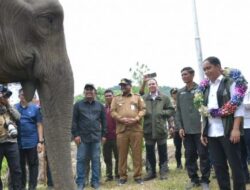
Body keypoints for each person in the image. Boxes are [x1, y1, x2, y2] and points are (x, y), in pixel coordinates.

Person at [200, 56, 246, 190]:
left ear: (219, 67)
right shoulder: (205, 87)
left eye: (209, 68)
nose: (207, 71)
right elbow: (202, 111)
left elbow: (238, 106)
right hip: (212, 133)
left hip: (228, 131)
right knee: (219, 166)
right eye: (204, 69)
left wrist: (236, 128)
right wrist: (203, 131)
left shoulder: (229, 82)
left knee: (235, 165)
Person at [176, 67, 210, 190]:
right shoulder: (180, 92)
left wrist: (205, 128)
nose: (183, 76)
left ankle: (205, 180)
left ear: (192, 75)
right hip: (186, 131)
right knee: (189, 155)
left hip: (200, 130)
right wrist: (179, 127)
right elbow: (178, 111)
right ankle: (193, 179)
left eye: (185, 74)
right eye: (182, 75)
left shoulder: (200, 89)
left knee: (203, 154)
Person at [111, 78, 146, 185]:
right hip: (122, 130)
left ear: (130, 86)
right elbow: (112, 112)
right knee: (122, 154)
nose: (123, 87)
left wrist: (136, 118)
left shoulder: (137, 97)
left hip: (136, 129)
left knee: (137, 154)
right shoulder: (116, 99)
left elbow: (143, 109)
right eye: (121, 85)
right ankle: (122, 176)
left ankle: (138, 176)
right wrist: (121, 119)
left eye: (125, 85)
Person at [71, 83, 107, 190]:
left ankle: (95, 182)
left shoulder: (100, 105)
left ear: (94, 92)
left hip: (96, 138)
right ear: (84, 92)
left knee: (96, 160)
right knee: (81, 160)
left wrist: (104, 135)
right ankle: (80, 182)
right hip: (82, 138)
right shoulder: (78, 105)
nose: (89, 92)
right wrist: (76, 135)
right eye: (87, 90)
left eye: (91, 90)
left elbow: (104, 121)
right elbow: (74, 122)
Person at [140, 77, 174, 181]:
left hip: (161, 130)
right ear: (147, 86)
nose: (151, 86)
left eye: (153, 84)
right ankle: (151, 172)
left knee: (162, 151)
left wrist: (161, 113)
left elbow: (171, 110)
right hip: (148, 129)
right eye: (149, 84)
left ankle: (163, 171)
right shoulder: (144, 98)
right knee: (150, 152)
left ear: (157, 85)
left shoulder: (164, 98)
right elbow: (140, 108)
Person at [15, 89, 44, 190]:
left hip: (32, 142)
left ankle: (32, 187)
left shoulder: (35, 108)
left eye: (25, 94)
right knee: (20, 166)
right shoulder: (14, 107)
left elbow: (39, 125)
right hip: (18, 143)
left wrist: (40, 142)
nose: (24, 96)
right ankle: (22, 186)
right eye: (22, 95)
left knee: (33, 166)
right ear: (19, 96)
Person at [0, 84, 22, 190]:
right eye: (4, 96)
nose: (6, 98)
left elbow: (18, 117)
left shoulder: (9, 106)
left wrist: (8, 105)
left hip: (11, 142)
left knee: (16, 170)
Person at [102, 89, 119, 182]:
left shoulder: (118, 108)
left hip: (117, 136)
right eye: (106, 96)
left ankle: (118, 174)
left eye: (110, 95)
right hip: (105, 137)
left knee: (118, 156)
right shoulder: (102, 108)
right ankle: (109, 175)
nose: (108, 97)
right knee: (107, 157)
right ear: (104, 97)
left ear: (113, 96)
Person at [169, 87, 183, 169]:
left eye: (177, 93)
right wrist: (170, 127)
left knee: (188, 148)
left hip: (184, 128)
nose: (175, 94)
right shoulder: (170, 104)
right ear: (171, 95)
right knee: (178, 148)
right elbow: (169, 117)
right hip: (175, 129)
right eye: (174, 93)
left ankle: (189, 164)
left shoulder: (183, 102)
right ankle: (179, 164)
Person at [241, 91, 250, 184]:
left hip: (249, 126)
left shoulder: (247, 92)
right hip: (238, 127)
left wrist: (237, 102)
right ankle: (245, 177)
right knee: (241, 153)